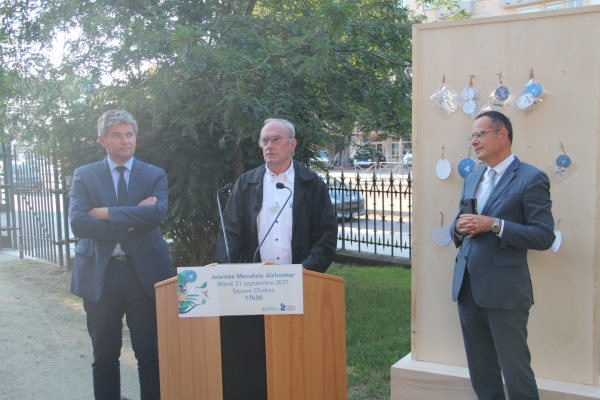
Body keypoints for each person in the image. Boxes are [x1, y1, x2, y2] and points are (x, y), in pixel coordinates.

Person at [69, 110, 174, 400]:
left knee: (150, 355)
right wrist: (132, 219)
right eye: (117, 134)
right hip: (100, 276)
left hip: (144, 275)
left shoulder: (154, 174)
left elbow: (155, 215)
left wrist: (103, 214)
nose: (125, 140)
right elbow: (79, 223)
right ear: (103, 140)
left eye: (129, 134)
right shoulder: (85, 176)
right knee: (104, 356)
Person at [451, 111, 554, 400]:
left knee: (516, 372)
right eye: (471, 136)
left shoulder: (531, 178)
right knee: (482, 372)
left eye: (479, 134)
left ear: (502, 135)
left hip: (506, 292)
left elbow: (544, 236)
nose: (473, 141)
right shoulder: (472, 178)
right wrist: (458, 227)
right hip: (468, 287)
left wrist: (495, 225)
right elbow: (460, 225)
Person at [216, 118, 337, 273]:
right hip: (255, 281)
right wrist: (225, 271)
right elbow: (229, 233)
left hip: (301, 279)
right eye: (264, 140)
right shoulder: (246, 183)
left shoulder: (312, 184)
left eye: (276, 139)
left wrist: (307, 268)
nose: (269, 146)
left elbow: (326, 235)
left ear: (292, 144)